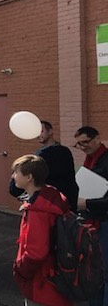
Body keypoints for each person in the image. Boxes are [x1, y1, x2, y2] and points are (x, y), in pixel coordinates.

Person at [11, 154, 72, 306]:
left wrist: (20, 269)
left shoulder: (39, 210)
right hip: (58, 276)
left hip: (42, 282)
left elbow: (36, 252)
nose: (13, 176)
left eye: (16, 172)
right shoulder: (51, 197)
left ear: (29, 177)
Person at [9, 121, 79, 211]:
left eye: (41, 131)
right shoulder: (60, 151)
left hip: (52, 205)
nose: (38, 135)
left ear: (50, 131)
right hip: (63, 203)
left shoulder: (50, 154)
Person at [74, 126, 108, 306]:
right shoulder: (90, 160)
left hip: (103, 221)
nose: (82, 147)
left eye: (85, 142)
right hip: (91, 221)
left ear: (97, 138)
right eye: (78, 144)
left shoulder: (105, 160)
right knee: (93, 269)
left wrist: (86, 203)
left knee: (104, 270)